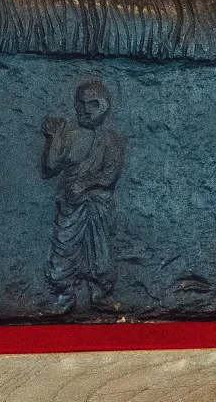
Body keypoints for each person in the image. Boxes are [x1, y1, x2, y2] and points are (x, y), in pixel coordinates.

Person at [41, 79, 126, 314]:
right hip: (71, 205)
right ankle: (64, 293)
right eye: (82, 105)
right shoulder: (70, 135)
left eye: (93, 104)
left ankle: (99, 293)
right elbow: (50, 166)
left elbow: (109, 174)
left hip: (97, 206)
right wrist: (53, 138)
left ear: (105, 107)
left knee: (99, 249)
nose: (87, 110)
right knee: (65, 247)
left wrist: (85, 184)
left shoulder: (111, 140)